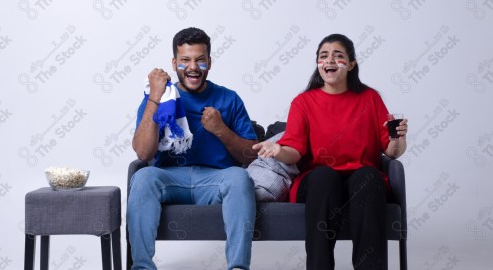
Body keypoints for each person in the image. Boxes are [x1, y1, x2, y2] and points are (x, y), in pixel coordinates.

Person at [253, 33, 408, 270]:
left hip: (361, 178)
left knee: (368, 176)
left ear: (352, 64)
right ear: (318, 64)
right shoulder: (303, 102)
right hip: (317, 182)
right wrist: (278, 150)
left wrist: (398, 137)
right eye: (323, 56)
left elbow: (392, 152)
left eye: (338, 56)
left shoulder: (370, 98)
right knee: (325, 177)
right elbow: (294, 151)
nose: (330, 61)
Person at [127, 27, 257, 270]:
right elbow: (143, 154)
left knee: (239, 177)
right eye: (185, 60)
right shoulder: (162, 96)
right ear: (175, 63)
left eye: (200, 60)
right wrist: (155, 96)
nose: (193, 67)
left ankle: (238, 267)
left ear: (210, 62)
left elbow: (250, 157)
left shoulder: (229, 98)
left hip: (215, 180)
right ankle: (142, 267)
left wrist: (221, 130)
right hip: (170, 178)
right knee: (143, 176)